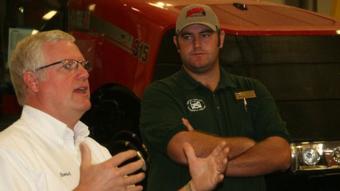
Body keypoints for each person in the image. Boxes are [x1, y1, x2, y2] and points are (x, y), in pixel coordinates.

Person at [140, 4, 291, 191]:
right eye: (187, 36)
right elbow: (182, 149)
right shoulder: (160, 93)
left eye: (205, 35)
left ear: (220, 38)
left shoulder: (254, 90)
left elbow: (282, 155)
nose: (196, 44)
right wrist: (250, 145)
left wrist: (212, 168)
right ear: (176, 43)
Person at [0, 30, 145, 191]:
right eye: (68, 65)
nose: (84, 74)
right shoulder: (7, 152)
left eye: (84, 65)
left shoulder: (96, 150)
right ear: (33, 81)